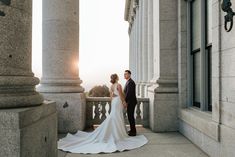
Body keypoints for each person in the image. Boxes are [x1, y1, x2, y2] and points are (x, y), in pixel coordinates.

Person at [58, 74, 148, 154]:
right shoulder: (119, 85)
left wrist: (114, 102)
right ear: (117, 78)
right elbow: (121, 94)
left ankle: (114, 131)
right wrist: (124, 102)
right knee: (117, 117)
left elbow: (111, 96)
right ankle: (118, 133)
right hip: (118, 102)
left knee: (114, 116)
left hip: (114, 102)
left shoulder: (111, 86)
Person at [124, 70, 137, 136]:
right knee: (130, 116)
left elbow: (128, 94)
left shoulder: (131, 82)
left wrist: (124, 101)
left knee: (130, 117)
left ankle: (133, 132)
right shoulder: (128, 82)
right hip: (130, 102)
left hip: (131, 102)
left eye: (126, 74)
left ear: (129, 74)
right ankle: (132, 130)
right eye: (124, 74)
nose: (125, 75)